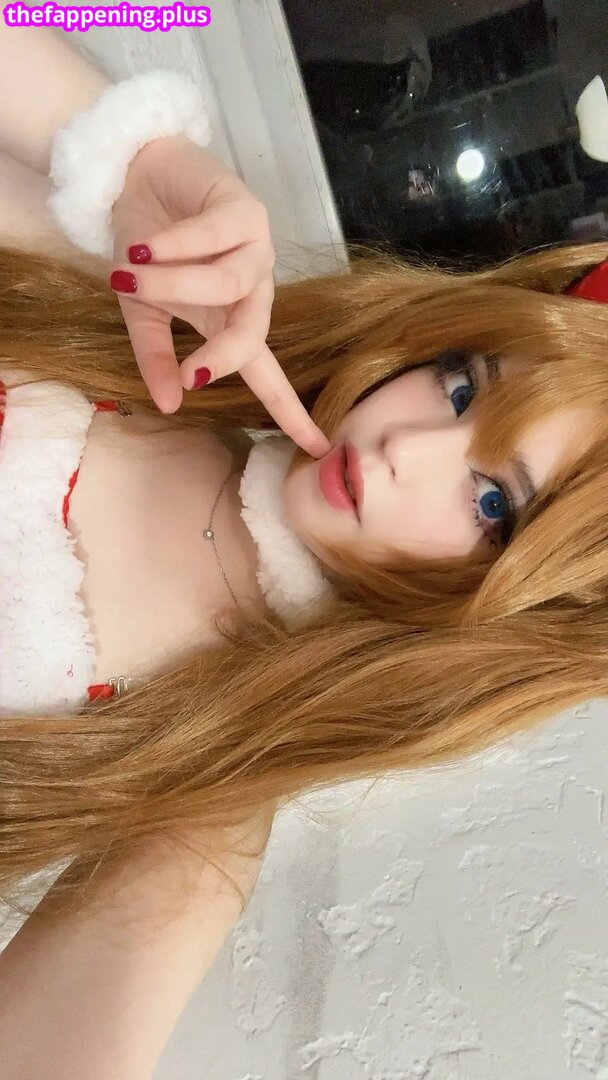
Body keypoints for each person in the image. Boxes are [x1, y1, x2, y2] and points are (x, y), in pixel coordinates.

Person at [2, 23, 608, 1080]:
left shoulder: (206, 781)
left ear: (506, 614)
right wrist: (139, 163)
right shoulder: (154, 331)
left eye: (488, 500)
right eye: (460, 385)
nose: (406, 447)